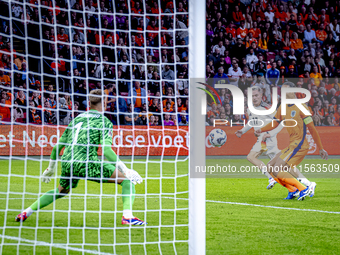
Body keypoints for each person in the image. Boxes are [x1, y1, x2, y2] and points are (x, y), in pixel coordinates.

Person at [15, 90, 146, 225]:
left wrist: (50, 169)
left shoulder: (77, 119)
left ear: (89, 102)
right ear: (104, 102)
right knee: (127, 181)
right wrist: (126, 170)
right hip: (86, 161)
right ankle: (127, 217)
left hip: (67, 162)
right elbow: (106, 150)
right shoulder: (104, 121)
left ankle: (26, 212)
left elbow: (56, 148)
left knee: (60, 191)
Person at [255, 82, 328, 201]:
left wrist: (320, 148)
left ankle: (303, 188)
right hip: (291, 145)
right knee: (270, 166)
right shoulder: (282, 106)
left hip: (300, 145)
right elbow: (275, 122)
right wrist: (261, 130)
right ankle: (293, 190)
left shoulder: (301, 106)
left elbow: (312, 129)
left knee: (278, 168)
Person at [235, 87, 283, 189]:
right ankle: (293, 186)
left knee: (279, 166)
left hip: (268, 139)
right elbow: (252, 122)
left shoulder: (267, 108)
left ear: (261, 95)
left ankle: (304, 184)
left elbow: (280, 122)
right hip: (261, 139)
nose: (254, 98)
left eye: (256, 95)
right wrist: (242, 131)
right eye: (252, 96)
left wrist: (270, 134)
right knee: (277, 166)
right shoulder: (249, 109)